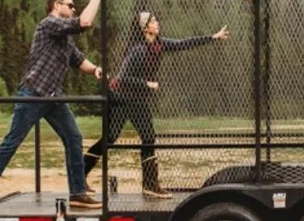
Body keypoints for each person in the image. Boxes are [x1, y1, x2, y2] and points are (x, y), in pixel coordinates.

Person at [0, 0, 105, 212]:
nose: (73, 9)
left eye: (74, 6)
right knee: (11, 143)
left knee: (74, 137)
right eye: (70, 5)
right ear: (56, 6)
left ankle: (77, 193)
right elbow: (84, 22)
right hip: (33, 95)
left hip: (53, 98)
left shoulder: (65, 37)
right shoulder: (49, 24)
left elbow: (79, 61)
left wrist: (95, 69)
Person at [84, 11, 229, 198]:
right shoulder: (138, 51)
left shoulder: (160, 44)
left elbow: (184, 43)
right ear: (145, 28)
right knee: (110, 138)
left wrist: (213, 37)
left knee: (149, 137)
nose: (157, 23)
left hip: (137, 100)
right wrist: (147, 84)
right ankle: (80, 177)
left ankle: (150, 185)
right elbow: (123, 78)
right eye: (153, 21)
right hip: (120, 98)